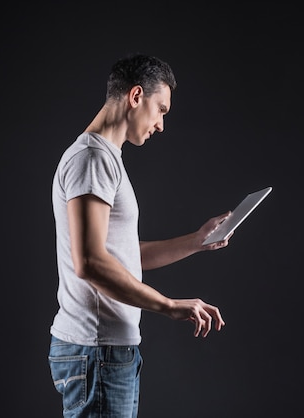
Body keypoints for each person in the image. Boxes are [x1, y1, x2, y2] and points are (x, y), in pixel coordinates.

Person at [48, 53, 231, 418]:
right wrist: (170, 305)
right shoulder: (92, 158)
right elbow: (91, 263)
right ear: (135, 97)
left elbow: (121, 255)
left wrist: (197, 240)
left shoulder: (106, 158)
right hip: (98, 351)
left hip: (107, 352)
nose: (161, 124)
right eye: (160, 109)